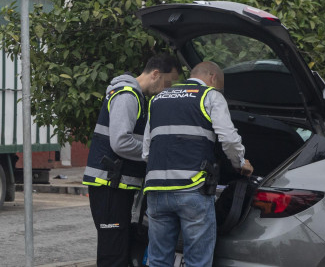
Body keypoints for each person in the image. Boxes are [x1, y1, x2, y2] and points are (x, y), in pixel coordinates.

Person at [142, 62, 253, 267]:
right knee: (197, 261)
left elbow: (147, 150)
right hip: (192, 189)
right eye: (218, 85)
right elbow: (228, 138)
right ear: (212, 77)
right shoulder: (210, 96)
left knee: (157, 260)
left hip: (156, 189)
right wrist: (239, 163)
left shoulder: (157, 99)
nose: (218, 89)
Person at [83, 54, 181, 267]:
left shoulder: (136, 96)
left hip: (116, 184)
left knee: (119, 249)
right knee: (113, 255)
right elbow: (121, 142)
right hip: (110, 185)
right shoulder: (128, 95)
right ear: (155, 74)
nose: (168, 89)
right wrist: (154, 154)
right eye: (168, 82)